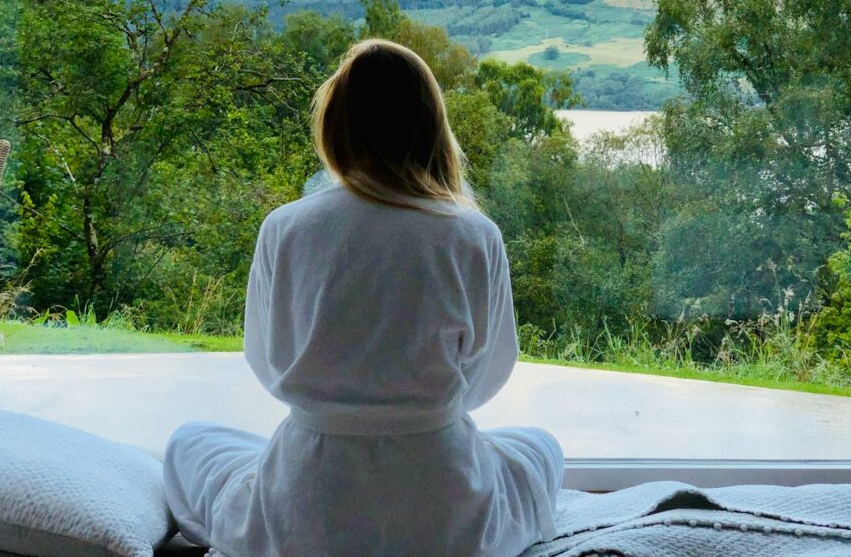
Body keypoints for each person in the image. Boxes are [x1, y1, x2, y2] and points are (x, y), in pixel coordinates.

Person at [163, 38, 564, 557]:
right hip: (442, 504)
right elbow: (488, 371)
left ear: (336, 127)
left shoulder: (285, 227)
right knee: (540, 447)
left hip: (306, 499)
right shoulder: (472, 233)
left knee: (189, 443)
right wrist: (421, 413)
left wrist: (338, 408)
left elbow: (267, 361)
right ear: (430, 126)